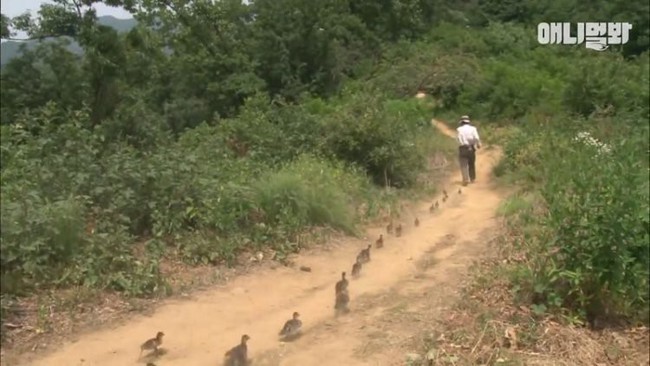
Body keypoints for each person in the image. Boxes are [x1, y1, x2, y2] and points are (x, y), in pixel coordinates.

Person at [456, 115, 481, 186]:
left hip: (463, 148)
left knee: (463, 164)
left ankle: (465, 178)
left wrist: (462, 143)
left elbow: (458, 139)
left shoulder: (459, 129)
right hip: (471, 148)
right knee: (471, 163)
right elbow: (476, 137)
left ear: (462, 122)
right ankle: (472, 178)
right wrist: (478, 144)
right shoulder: (473, 129)